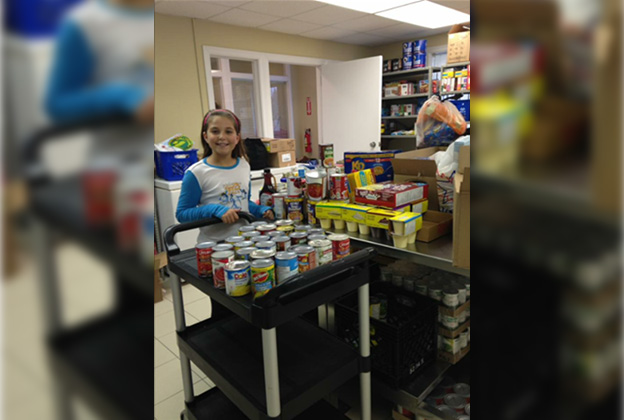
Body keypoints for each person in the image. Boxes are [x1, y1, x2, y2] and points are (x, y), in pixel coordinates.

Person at [176, 109, 275, 242]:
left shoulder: (244, 166)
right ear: (206, 136)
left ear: (237, 138)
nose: (222, 136)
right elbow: (182, 214)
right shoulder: (196, 173)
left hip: (245, 243)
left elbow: (243, 203)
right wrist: (214, 209)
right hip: (214, 248)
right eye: (215, 131)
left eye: (228, 131)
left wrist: (261, 210)